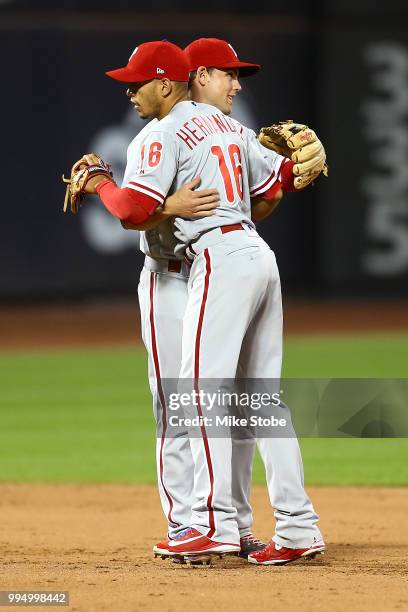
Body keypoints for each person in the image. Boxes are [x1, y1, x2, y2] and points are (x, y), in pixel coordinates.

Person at [79, 39, 325, 564]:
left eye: (135, 83)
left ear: (168, 82)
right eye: (229, 76)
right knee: (258, 401)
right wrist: (290, 171)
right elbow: (282, 179)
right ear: (201, 76)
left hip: (213, 260)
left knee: (199, 394)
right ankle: (296, 528)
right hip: (254, 256)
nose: (129, 93)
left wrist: (101, 182)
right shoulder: (227, 126)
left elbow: (130, 209)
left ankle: (213, 526)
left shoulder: (163, 131)